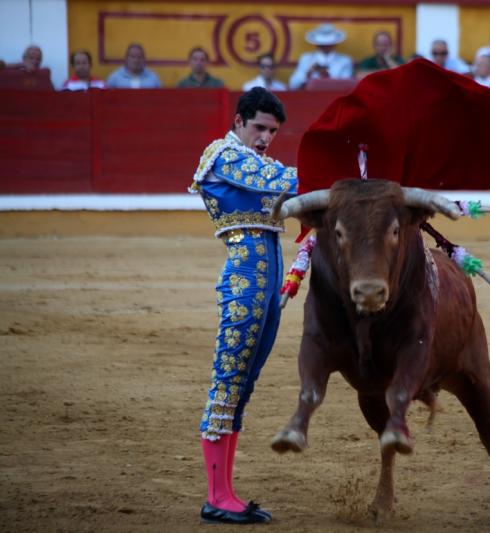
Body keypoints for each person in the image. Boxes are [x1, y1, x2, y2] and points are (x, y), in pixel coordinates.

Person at [189, 87, 298, 525]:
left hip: (268, 286)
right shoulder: (222, 155)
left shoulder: (264, 163)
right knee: (229, 379)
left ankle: (226, 492)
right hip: (244, 285)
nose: (266, 137)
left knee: (243, 384)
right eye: (259, 127)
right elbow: (281, 183)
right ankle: (216, 496)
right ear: (238, 122)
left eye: (272, 131)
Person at [288, 22, 353, 90]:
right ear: (317, 44)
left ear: (334, 44)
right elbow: (293, 85)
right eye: (322, 44)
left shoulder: (344, 61)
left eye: (329, 44)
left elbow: (346, 86)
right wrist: (307, 74)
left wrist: (327, 76)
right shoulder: (306, 59)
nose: (325, 46)